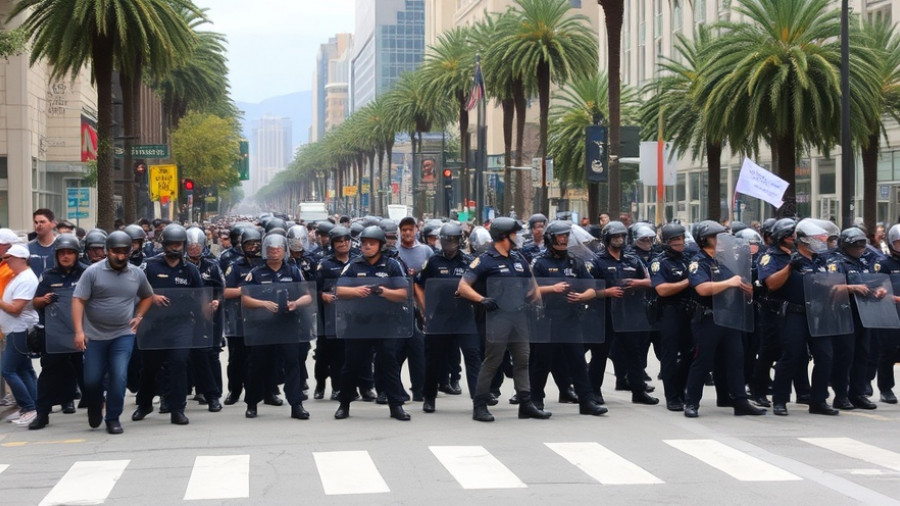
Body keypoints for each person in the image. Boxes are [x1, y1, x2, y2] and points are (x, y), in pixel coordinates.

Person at [457, 217, 551, 422]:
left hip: (519, 316)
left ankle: (526, 404)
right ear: (503, 235)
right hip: (497, 317)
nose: (517, 237)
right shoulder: (485, 260)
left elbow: (531, 284)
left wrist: (533, 297)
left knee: (522, 360)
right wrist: (482, 299)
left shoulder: (518, 258)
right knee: (493, 361)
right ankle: (480, 406)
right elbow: (462, 287)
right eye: (514, 233)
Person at [73, 231, 154, 434]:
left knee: (119, 377)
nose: (120, 256)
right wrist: (79, 331)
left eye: (124, 252)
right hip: (94, 336)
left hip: (123, 335)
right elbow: (78, 300)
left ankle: (113, 418)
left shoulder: (136, 274)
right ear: (108, 251)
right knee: (92, 379)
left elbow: (147, 296)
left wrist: (139, 316)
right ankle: (94, 405)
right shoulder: (92, 272)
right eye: (116, 252)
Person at [683, 221, 765, 418]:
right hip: (707, 319)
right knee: (703, 361)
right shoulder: (698, 262)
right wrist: (730, 283)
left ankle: (740, 401)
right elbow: (702, 288)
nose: (721, 240)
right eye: (716, 236)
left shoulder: (725, 261)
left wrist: (746, 290)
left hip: (729, 317)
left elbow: (739, 284)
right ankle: (692, 402)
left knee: (736, 359)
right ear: (704, 239)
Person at [334, 225, 412, 421]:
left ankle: (396, 406)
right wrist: (356, 291)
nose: (367, 246)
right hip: (358, 324)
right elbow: (339, 290)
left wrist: (383, 292)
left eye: (372, 243)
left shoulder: (392, 265)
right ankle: (344, 404)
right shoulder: (353, 265)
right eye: (364, 243)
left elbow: (403, 293)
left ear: (381, 245)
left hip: (385, 324)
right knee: (351, 366)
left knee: (389, 365)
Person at [530, 221, 607, 416]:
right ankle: (536, 400)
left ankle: (587, 402)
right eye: (560, 236)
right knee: (542, 362)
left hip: (571, 319)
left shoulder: (575, 261)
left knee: (578, 361)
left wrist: (582, 297)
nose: (564, 239)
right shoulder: (539, 263)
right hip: (547, 319)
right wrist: (552, 289)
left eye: (566, 235)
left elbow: (592, 288)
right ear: (551, 238)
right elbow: (529, 290)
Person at [242, 233, 313, 420]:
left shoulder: (293, 271)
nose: (274, 252)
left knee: (292, 364)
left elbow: (307, 296)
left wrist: (295, 303)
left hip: (287, 325)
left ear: (284, 251)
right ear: (265, 251)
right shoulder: (256, 273)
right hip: (262, 326)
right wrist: (263, 304)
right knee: (257, 365)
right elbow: (245, 299)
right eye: (271, 249)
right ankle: (252, 403)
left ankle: (296, 404)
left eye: (278, 249)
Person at [414, 222, 483, 412]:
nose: (450, 243)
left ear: (459, 240)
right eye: (446, 240)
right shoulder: (433, 262)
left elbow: (478, 285)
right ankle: (429, 397)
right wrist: (425, 308)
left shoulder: (469, 261)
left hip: (464, 316)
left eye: (453, 240)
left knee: (473, 356)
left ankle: (479, 401)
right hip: (440, 317)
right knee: (434, 359)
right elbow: (418, 284)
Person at [28, 234, 86, 429]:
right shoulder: (48, 276)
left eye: (70, 252)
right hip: (55, 334)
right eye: (62, 253)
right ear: (57, 255)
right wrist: (43, 300)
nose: (66, 256)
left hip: (81, 332)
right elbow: (35, 302)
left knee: (87, 372)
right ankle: (42, 413)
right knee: (50, 371)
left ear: (77, 254)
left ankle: (95, 407)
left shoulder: (87, 273)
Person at [650, 223, 694, 412]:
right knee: (669, 355)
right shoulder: (659, 262)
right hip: (669, 312)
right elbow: (662, 289)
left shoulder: (688, 259)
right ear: (666, 242)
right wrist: (688, 282)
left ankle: (681, 389)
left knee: (690, 353)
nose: (679, 242)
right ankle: (672, 396)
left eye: (681, 239)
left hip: (689, 312)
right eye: (675, 240)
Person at [0, 244, 40, 427]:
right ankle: (33, 406)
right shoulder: (20, 277)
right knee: (24, 369)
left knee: (8, 370)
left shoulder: (26, 279)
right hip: (15, 330)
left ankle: (29, 407)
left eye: (10, 258)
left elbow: (16, 309)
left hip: (19, 330)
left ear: (22, 259)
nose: (6, 261)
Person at [28, 208, 57, 278]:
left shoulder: (60, 246)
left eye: (42, 222)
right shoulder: (28, 248)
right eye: (36, 222)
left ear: (53, 224)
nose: (38, 225)